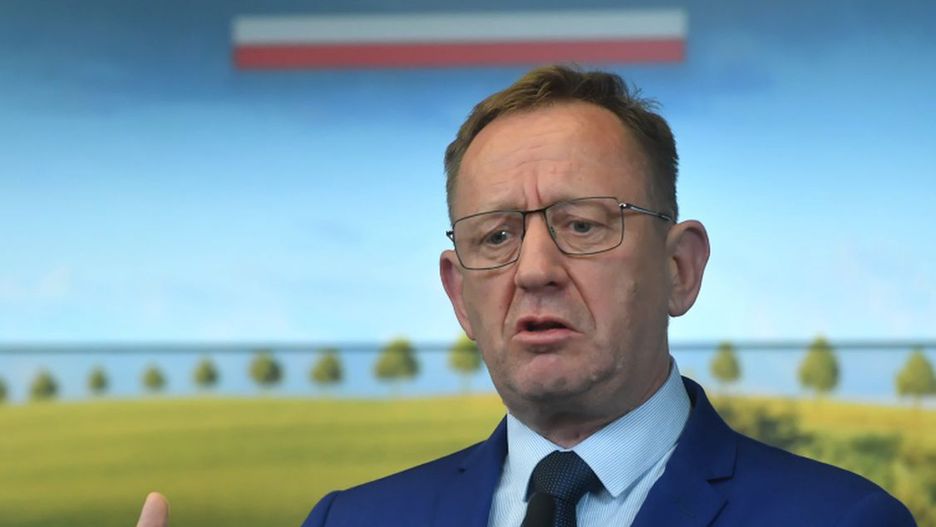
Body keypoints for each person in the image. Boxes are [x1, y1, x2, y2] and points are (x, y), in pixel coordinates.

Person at [135, 65, 916, 527]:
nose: (535, 269)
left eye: (582, 224)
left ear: (681, 268)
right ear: (460, 295)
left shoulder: (843, 521)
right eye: (497, 236)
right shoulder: (352, 520)